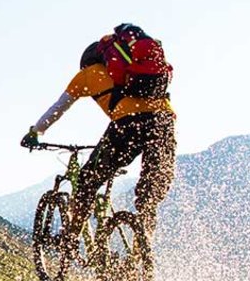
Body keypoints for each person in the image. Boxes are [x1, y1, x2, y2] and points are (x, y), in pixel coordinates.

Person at [19, 24, 177, 261]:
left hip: (128, 125)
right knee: (149, 195)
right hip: (164, 123)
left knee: (86, 182)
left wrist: (35, 132)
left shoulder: (88, 74)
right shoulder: (138, 71)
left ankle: (70, 240)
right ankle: (140, 256)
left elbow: (58, 108)